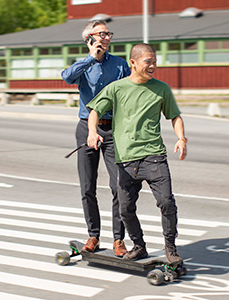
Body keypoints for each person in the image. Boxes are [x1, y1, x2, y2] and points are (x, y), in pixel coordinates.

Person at [86, 43, 187, 263]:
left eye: (155, 61)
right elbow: (94, 111)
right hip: (125, 159)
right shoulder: (116, 88)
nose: (153, 66)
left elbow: (174, 116)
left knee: (167, 202)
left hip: (154, 156)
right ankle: (139, 245)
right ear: (133, 63)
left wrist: (181, 138)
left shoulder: (162, 89)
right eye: (147, 61)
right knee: (125, 210)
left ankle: (170, 247)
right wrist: (92, 132)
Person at [61, 20, 131, 256]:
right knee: (87, 185)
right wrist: (91, 57)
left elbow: (131, 93)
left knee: (118, 185)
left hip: (113, 130)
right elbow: (67, 77)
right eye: (101, 34)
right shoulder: (82, 65)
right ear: (89, 38)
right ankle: (93, 235)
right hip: (86, 129)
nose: (107, 37)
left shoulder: (120, 65)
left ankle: (119, 240)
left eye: (108, 33)